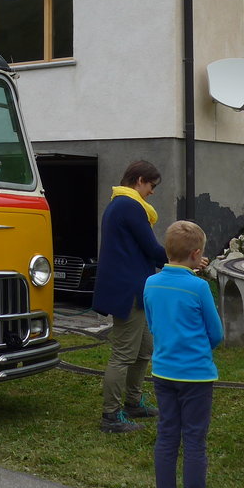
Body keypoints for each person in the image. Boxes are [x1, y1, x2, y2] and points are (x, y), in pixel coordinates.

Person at [143, 219, 224, 488]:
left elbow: (152, 323)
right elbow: (215, 333)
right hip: (196, 374)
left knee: (166, 435)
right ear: (197, 254)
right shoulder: (199, 286)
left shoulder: (151, 283)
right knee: (194, 440)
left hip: (163, 370)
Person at [91, 160, 167, 433]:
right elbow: (151, 248)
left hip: (137, 289)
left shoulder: (121, 205)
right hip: (130, 291)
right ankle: (110, 416)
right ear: (139, 180)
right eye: (152, 186)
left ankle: (134, 402)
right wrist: (183, 258)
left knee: (143, 350)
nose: (153, 192)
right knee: (123, 355)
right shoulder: (129, 206)